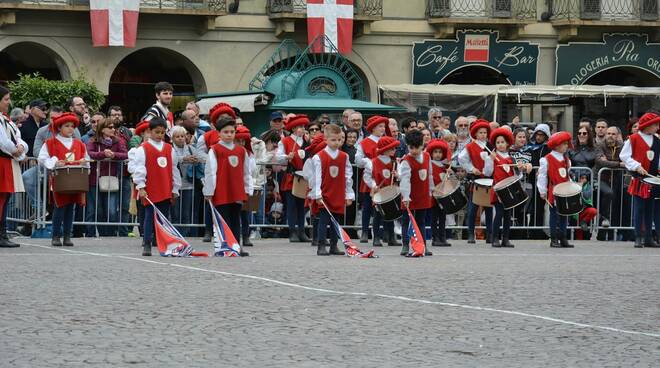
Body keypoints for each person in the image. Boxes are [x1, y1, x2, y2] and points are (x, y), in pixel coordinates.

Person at [38, 113, 90, 247]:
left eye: (72, 126)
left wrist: (84, 162)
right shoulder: (50, 143)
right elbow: (42, 158)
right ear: (59, 127)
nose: (70, 129)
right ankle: (56, 236)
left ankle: (67, 235)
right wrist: (55, 162)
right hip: (60, 180)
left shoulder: (79, 144)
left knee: (71, 208)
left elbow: (86, 159)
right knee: (60, 207)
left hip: (75, 179)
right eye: (67, 126)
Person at [132, 118, 181, 256]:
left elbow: (173, 169)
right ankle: (147, 243)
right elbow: (140, 168)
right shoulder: (143, 149)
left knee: (164, 218)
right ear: (150, 131)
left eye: (162, 132)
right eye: (157, 132)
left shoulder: (169, 148)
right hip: (151, 189)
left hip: (165, 188)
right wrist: (141, 187)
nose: (160, 135)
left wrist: (175, 188)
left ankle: (164, 243)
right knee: (149, 217)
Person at [202, 115, 251, 255]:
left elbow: (246, 172)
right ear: (219, 133)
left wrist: (248, 189)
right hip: (221, 190)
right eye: (226, 132)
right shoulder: (215, 149)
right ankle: (225, 245)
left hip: (236, 190)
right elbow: (211, 171)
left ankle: (236, 245)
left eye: (232, 132)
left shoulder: (241, 151)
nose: (229, 135)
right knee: (223, 219)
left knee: (236, 219)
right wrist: (209, 191)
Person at [484, 128, 532, 248]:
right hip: (498, 190)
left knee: (507, 215)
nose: (500, 145)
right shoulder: (493, 157)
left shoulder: (512, 158)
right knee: (499, 213)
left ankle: (506, 238)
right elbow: (488, 172)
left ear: (507, 143)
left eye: (502, 142)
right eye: (498, 142)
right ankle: (495, 238)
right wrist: (490, 159)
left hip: (509, 191)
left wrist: (520, 168)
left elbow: (517, 175)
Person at [311, 124, 354, 256]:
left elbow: (348, 176)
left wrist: (349, 194)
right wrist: (318, 194)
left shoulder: (344, 156)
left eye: (339, 140)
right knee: (323, 221)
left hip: (338, 194)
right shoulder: (318, 157)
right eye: (333, 140)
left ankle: (334, 245)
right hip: (325, 194)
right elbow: (317, 177)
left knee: (337, 221)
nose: (337, 143)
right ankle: (321, 245)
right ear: (326, 140)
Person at [619, 112, 660, 248]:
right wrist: (637, 166)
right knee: (639, 208)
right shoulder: (633, 138)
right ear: (647, 126)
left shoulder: (657, 139)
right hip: (639, 179)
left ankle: (648, 237)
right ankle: (638, 237)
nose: (657, 127)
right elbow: (624, 156)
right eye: (655, 124)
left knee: (650, 208)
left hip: (652, 179)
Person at [85, 117, 128, 237]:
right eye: (110, 127)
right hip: (94, 179)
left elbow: (125, 154)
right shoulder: (93, 141)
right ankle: (91, 234)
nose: (113, 129)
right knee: (95, 210)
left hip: (111, 178)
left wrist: (114, 155)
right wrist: (102, 154)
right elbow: (89, 153)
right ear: (102, 129)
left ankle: (110, 234)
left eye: (114, 127)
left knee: (111, 210)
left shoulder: (118, 141)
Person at [398, 130, 433, 256]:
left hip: (422, 194)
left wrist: (431, 190)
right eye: (410, 147)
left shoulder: (427, 157)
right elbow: (405, 180)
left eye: (416, 147)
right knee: (406, 221)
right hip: (409, 196)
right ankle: (405, 245)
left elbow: (429, 174)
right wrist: (406, 196)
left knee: (421, 221)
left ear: (422, 145)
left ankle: (423, 245)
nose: (413, 151)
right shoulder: (406, 160)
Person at [458, 119, 493, 244]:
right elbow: (461, 159)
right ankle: (470, 234)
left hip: (489, 180)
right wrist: (472, 169)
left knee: (489, 209)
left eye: (485, 132)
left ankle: (490, 234)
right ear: (476, 134)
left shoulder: (491, 146)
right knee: (473, 208)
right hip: (476, 180)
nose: (483, 135)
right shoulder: (470, 146)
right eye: (480, 132)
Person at [0, 86, 27, 247]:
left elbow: (19, 138)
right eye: (6, 99)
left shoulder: (7, 119)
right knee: (2, 199)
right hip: (3, 161)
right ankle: (1, 235)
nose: (9, 103)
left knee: (5, 198)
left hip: (8, 161)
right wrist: (15, 150)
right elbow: (3, 141)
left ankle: (2, 234)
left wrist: (21, 149)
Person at [538, 131, 574, 248]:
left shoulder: (566, 159)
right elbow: (542, 176)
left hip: (565, 191)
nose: (567, 146)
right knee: (554, 215)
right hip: (554, 191)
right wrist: (542, 190)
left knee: (564, 215)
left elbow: (567, 176)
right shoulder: (546, 159)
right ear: (557, 145)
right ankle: (553, 239)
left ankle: (563, 237)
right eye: (564, 144)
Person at [277, 114, 310, 243]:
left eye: (303, 126)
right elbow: (278, 157)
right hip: (291, 176)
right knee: (291, 205)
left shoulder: (306, 142)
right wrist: (286, 156)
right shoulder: (285, 141)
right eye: (300, 127)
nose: (302, 129)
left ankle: (302, 232)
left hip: (303, 177)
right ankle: (292, 232)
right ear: (293, 128)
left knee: (302, 206)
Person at [355, 115, 388, 243]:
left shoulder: (386, 140)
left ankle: (382, 233)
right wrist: (368, 162)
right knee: (367, 207)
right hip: (369, 179)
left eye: (384, 126)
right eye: (380, 126)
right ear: (373, 128)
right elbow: (358, 160)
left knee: (381, 208)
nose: (383, 128)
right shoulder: (364, 142)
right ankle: (364, 231)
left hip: (383, 179)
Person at [363, 135, 400, 247]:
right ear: (385, 149)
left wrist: (397, 175)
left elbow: (400, 176)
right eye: (392, 148)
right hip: (378, 193)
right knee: (377, 215)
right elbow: (367, 176)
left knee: (391, 215)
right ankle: (376, 238)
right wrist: (374, 185)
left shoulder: (394, 162)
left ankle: (391, 237)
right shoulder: (372, 162)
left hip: (390, 193)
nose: (394, 150)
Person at [595, 126, 626, 240]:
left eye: (613, 134)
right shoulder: (599, 145)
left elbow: (626, 160)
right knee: (609, 193)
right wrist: (618, 164)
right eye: (608, 133)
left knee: (616, 206)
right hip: (601, 178)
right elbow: (600, 162)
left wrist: (608, 161)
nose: (610, 136)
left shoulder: (622, 146)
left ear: (618, 135)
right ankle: (604, 218)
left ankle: (608, 235)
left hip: (617, 180)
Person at [171, 125, 202, 237]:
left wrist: (196, 159)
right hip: (175, 185)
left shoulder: (190, 148)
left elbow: (200, 157)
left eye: (182, 136)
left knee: (186, 212)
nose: (180, 138)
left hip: (189, 184)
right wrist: (184, 159)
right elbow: (171, 159)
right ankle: (175, 234)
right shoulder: (170, 148)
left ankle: (184, 234)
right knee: (175, 213)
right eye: (177, 136)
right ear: (173, 138)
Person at [426, 139, 452, 247]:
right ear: (431, 153)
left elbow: (447, 181)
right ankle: (435, 237)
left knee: (443, 217)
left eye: (440, 152)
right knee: (434, 217)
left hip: (443, 195)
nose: (438, 154)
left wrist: (449, 173)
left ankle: (442, 237)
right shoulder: (430, 165)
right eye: (435, 152)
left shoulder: (444, 167)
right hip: (434, 195)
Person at [235, 125, 256, 247]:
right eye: (239, 140)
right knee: (234, 214)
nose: (241, 143)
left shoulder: (248, 154)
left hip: (244, 185)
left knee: (245, 214)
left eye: (243, 141)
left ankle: (246, 236)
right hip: (233, 186)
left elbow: (251, 171)